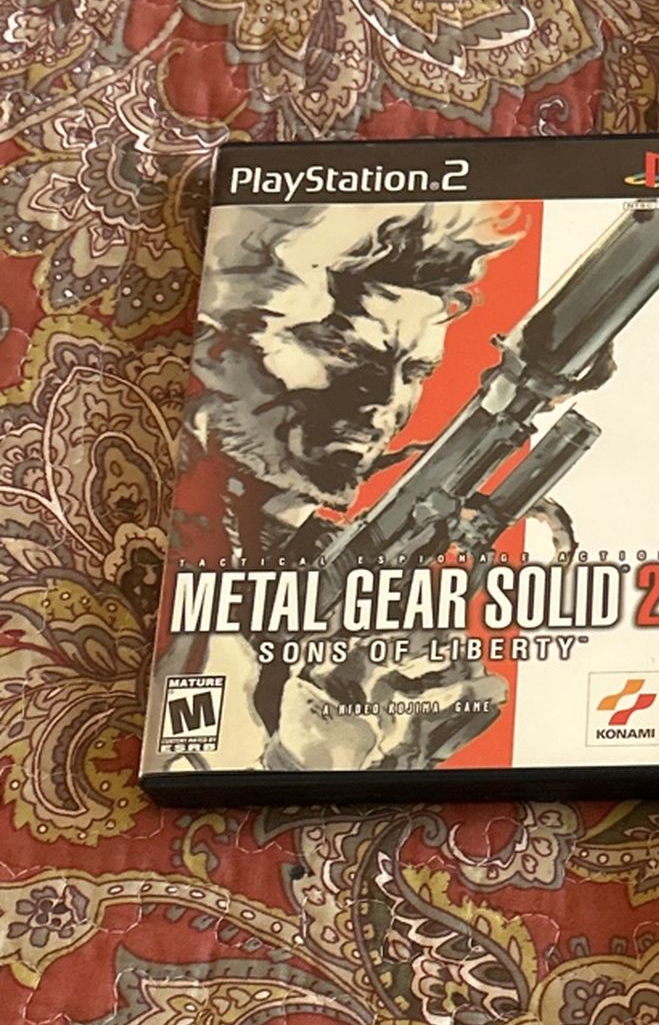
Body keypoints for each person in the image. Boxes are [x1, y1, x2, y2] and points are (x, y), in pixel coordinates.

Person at [155, 203, 512, 772]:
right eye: (346, 352)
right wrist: (310, 755)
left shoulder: (311, 552)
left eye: (414, 372)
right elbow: (188, 783)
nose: (385, 404)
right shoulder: (177, 558)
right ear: (220, 354)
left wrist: (397, 756)